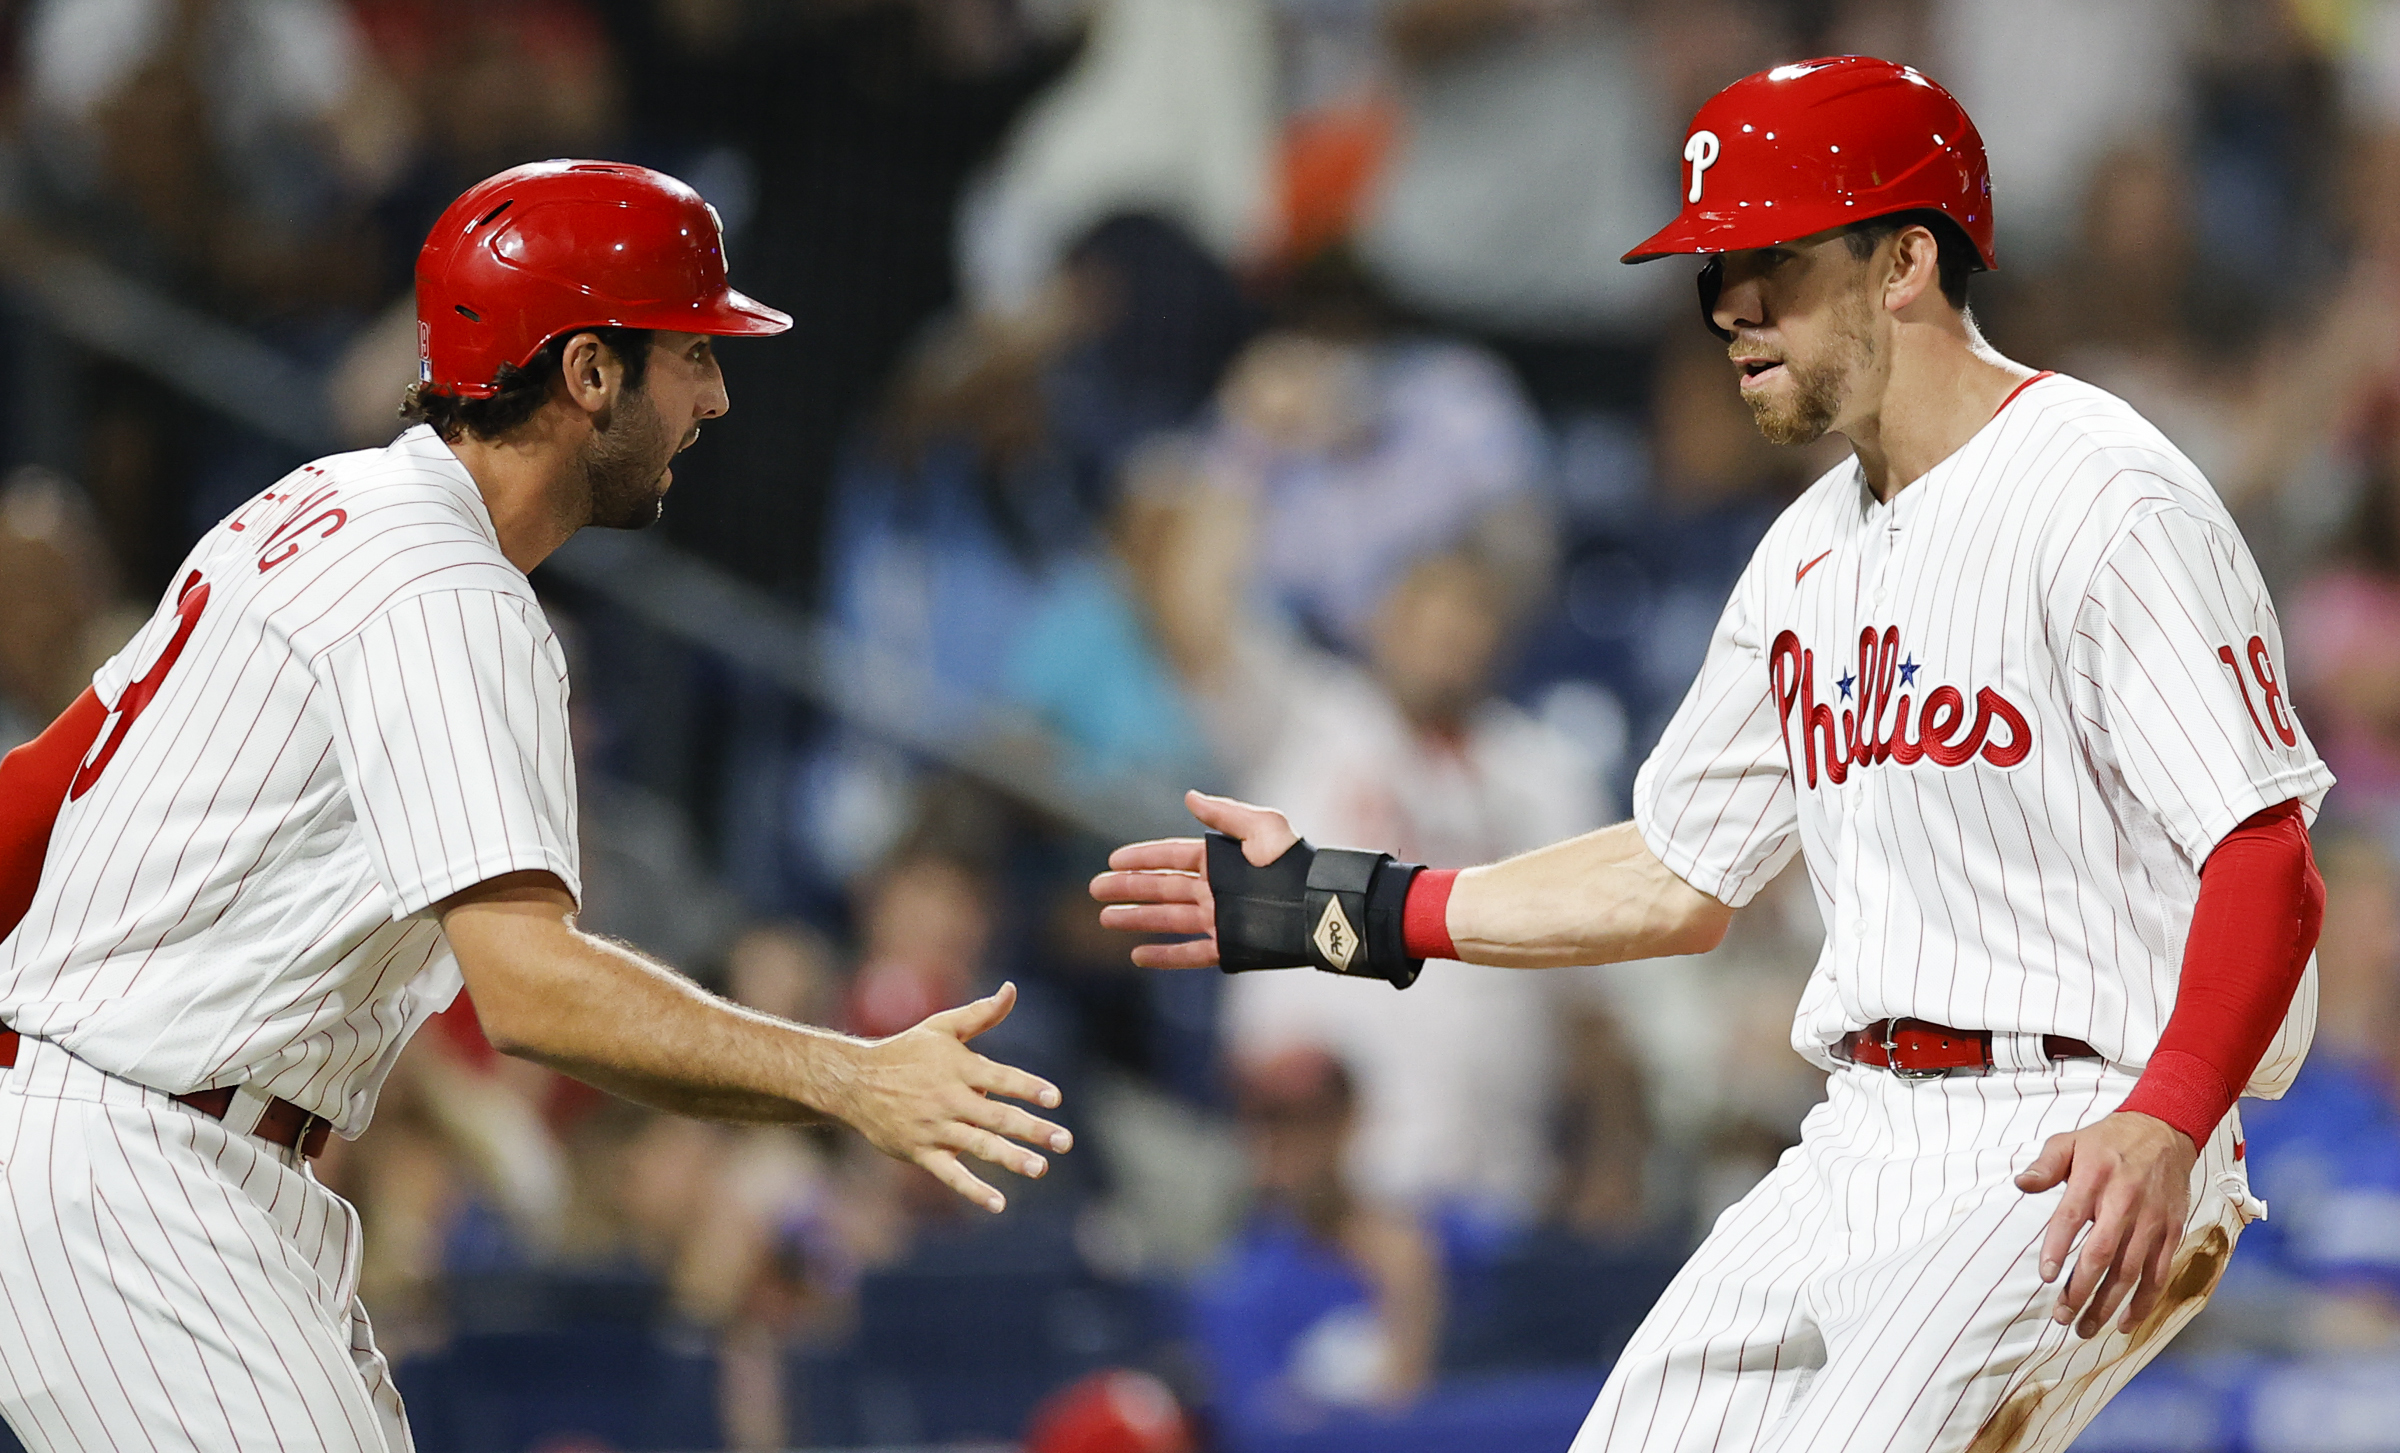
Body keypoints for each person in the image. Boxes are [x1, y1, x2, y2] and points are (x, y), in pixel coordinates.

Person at [1092, 58, 2332, 1453]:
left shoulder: (2105, 493)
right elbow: (1681, 872)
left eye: (1772, 263)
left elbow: (2267, 855)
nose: (1729, 307)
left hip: (2082, 1123)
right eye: (1713, 271)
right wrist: (1362, 904)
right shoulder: (1806, 551)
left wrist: (2168, 1117)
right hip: (1865, 1130)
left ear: (1906, 261)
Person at [0, 159, 1072, 1453]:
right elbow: (533, 992)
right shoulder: (450, 594)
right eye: (691, 354)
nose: (718, 394)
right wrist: (848, 1077)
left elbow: (48, 780)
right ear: (587, 373)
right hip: (131, 1169)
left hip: (139, 1145)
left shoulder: (321, 503)